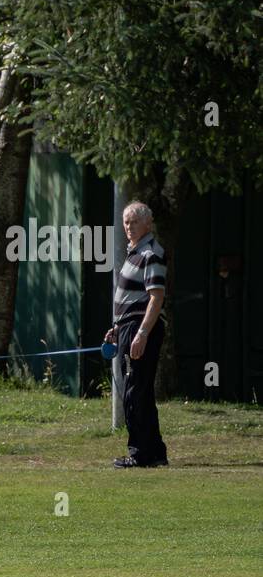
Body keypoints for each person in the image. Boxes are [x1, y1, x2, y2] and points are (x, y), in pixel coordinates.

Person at [104, 201, 169, 468]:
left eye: (134, 222)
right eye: (126, 222)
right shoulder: (134, 253)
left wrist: (141, 333)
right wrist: (118, 328)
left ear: (148, 224)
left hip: (141, 329)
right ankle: (155, 453)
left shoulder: (151, 253)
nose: (128, 227)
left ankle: (140, 454)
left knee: (134, 392)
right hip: (128, 328)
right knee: (141, 391)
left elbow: (156, 297)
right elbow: (133, 298)